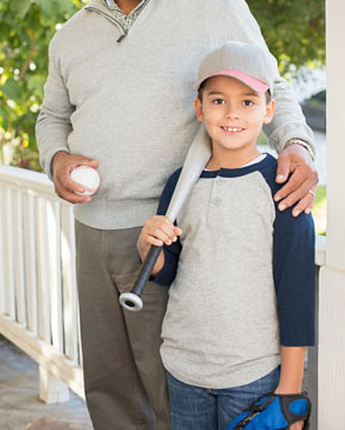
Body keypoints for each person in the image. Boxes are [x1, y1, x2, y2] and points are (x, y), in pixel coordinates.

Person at [35, 0, 318, 430]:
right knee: (108, 386)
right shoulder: (70, 36)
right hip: (92, 229)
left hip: (172, 228)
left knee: (169, 393)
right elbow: (52, 118)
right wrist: (56, 160)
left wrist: (298, 145)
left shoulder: (215, 4)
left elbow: (273, 87)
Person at [137, 41, 315, 430]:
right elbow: (169, 271)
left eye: (248, 102)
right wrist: (148, 247)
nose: (232, 113)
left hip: (252, 377)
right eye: (218, 100)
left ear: (269, 110)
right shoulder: (181, 183)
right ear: (200, 108)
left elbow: (297, 293)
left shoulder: (283, 187)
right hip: (184, 370)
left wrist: (290, 393)